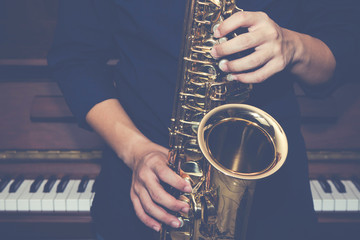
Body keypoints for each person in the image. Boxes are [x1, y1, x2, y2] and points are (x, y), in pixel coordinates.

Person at [47, 0, 359, 239]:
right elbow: (75, 59)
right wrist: (136, 151)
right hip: (144, 196)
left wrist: (294, 47)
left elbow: (343, 50)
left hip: (274, 201)